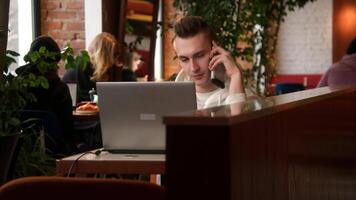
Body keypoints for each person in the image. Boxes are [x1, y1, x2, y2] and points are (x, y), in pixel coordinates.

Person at [16, 36, 74, 155]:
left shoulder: (16, 86)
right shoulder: (60, 90)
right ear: (54, 62)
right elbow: (68, 129)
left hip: (19, 154)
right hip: (55, 154)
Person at [173, 16, 246, 109]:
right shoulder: (171, 98)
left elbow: (238, 121)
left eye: (199, 56)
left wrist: (236, 75)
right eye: (184, 59)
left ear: (216, 50)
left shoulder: (243, 94)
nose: (193, 68)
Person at [62, 32, 136, 102]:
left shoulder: (101, 67)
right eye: (113, 54)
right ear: (102, 55)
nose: (115, 59)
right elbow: (87, 97)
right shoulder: (81, 65)